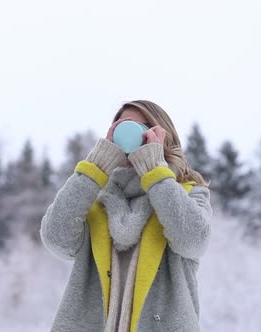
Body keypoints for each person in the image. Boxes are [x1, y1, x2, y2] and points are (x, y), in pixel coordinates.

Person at [40, 100, 212, 331]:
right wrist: (96, 166)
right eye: (124, 126)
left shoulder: (189, 193)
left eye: (145, 128)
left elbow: (193, 241)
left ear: (163, 137)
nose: (133, 136)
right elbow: (56, 238)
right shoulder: (93, 196)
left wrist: (154, 169)